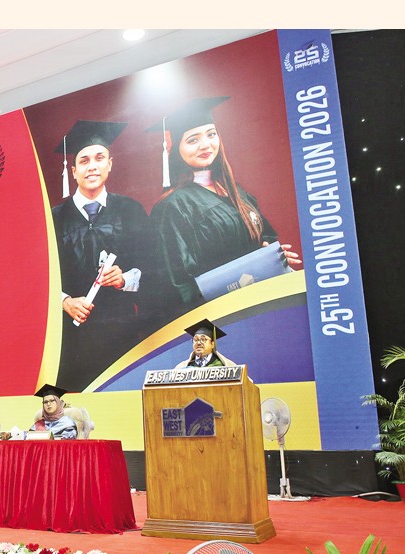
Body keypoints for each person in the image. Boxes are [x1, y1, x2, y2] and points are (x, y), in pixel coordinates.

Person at [148, 97, 302, 310]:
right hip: (220, 315)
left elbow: (265, 237)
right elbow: (177, 283)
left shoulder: (236, 192)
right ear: (176, 149)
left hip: (262, 302)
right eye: (193, 140)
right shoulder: (173, 207)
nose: (206, 145)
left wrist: (273, 256)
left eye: (211, 134)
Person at [52, 120, 149, 391]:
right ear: (73, 171)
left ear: (110, 163)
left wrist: (125, 279)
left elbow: (156, 267)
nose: (92, 166)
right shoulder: (53, 219)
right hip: (70, 341)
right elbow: (35, 279)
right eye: (83, 161)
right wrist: (65, 301)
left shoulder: (131, 211)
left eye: (99, 158)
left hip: (121, 334)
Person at [1, 384, 78, 440]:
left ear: (58, 403)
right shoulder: (39, 424)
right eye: (45, 402)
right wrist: (11, 434)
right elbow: (28, 436)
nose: (48, 404)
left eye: (52, 401)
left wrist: (52, 438)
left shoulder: (68, 423)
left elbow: (68, 442)